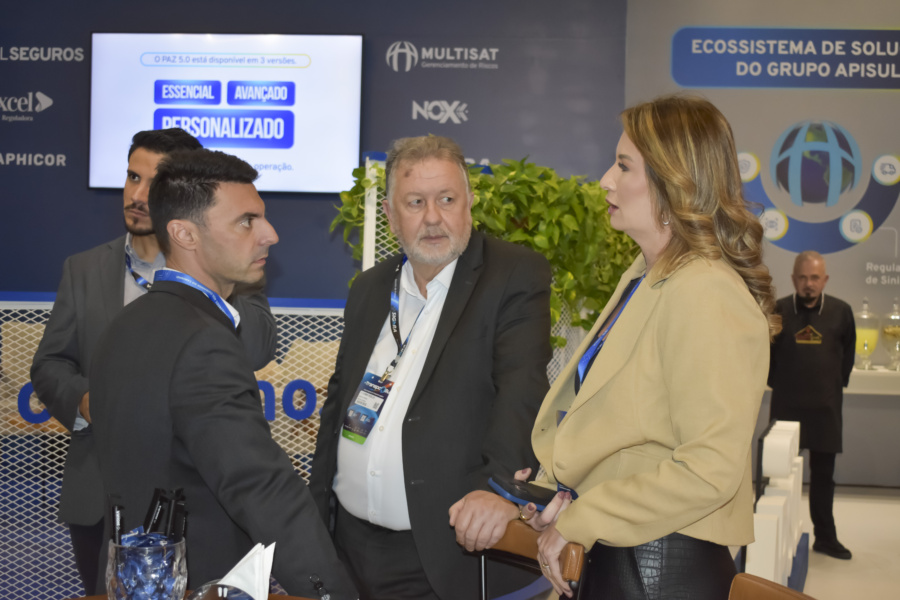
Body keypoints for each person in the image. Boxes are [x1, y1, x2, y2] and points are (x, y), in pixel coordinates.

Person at [457, 96, 781, 599]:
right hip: (622, 557)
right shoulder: (646, 278)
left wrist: (586, 516)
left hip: (659, 569)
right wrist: (556, 494)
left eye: (624, 166)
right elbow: (630, 432)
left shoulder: (706, 290)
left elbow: (709, 468)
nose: (606, 180)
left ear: (673, 181)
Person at [89, 149, 356, 598]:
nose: (270, 234)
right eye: (246, 221)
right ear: (184, 234)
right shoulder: (203, 342)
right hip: (198, 584)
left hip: (132, 582)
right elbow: (261, 487)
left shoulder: (123, 326)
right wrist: (330, 593)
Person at [29, 128, 277, 595]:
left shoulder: (229, 264)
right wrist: (88, 402)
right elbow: (49, 364)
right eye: (132, 177)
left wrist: (208, 281)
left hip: (198, 500)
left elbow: (259, 348)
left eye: (155, 182)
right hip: (100, 496)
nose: (139, 195)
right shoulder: (83, 269)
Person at [308, 135, 552, 599]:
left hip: (443, 556)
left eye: (447, 199)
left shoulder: (512, 275)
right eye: (416, 202)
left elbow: (522, 391)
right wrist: (316, 518)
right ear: (390, 214)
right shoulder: (369, 288)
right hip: (349, 550)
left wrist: (497, 490)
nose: (434, 217)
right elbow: (339, 405)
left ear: (469, 202)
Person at [768, 251, 855, 560]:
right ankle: (773, 540)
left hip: (825, 410)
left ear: (825, 279)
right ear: (793, 279)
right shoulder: (778, 311)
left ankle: (826, 538)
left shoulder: (841, 312)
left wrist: (828, 387)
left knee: (823, 478)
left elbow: (847, 360)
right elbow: (767, 359)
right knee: (777, 475)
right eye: (803, 277)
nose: (808, 283)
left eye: (814, 277)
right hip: (786, 410)